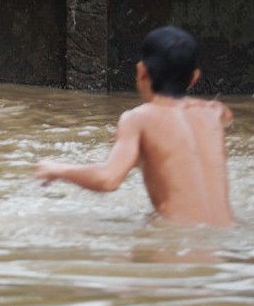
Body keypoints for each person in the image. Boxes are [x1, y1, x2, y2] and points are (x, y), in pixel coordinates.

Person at [34, 26, 235, 227]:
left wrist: (57, 169)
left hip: (178, 238)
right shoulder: (215, 112)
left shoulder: (137, 118)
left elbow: (108, 179)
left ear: (141, 71)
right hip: (227, 235)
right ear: (194, 78)